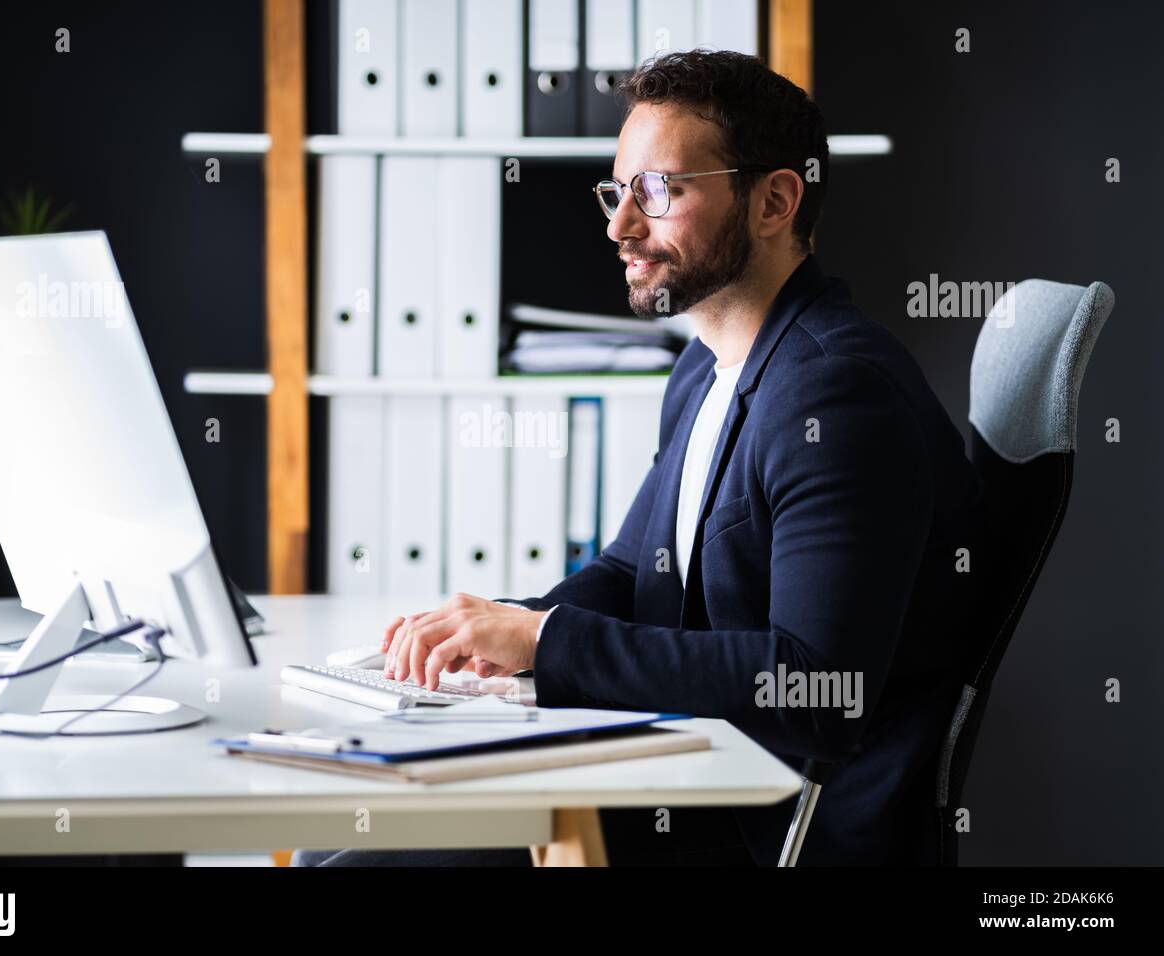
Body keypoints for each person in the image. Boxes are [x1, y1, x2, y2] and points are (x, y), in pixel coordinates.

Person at [301, 49, 984, 867]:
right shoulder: (703, 363)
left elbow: (815, 688)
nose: (620, 224)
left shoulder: (836, 394)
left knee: (354, 861)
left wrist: (547, 642)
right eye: (616, 190)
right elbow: (633, 571)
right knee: (343, 839)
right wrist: (499, 634)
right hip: (693, 773)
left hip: (762, 823)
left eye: (659, 191)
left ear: (774, 200)